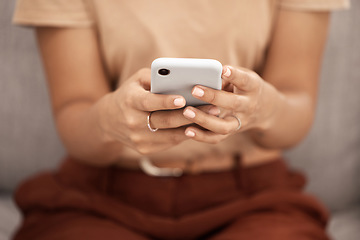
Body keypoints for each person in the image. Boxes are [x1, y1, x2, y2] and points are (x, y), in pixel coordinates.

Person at [12, 0, 349, 239]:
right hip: (101, 196)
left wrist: (266, 108)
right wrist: (107, 121)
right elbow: (75, 115)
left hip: (251, 197)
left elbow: (296, 113)